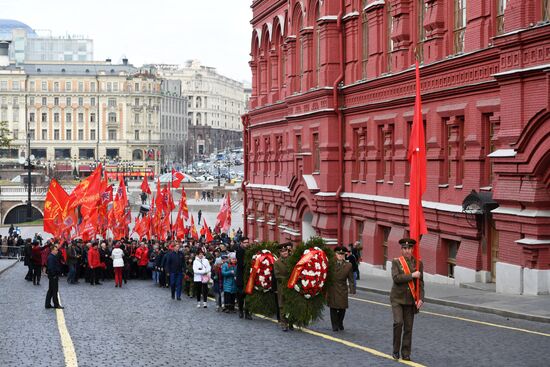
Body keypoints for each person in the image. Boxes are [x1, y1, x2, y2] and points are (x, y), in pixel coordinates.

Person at [390, 238, 424, 361]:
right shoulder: (396, 262)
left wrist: (421, 298)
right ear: (401, 249)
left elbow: (421, 283)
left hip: (410, 300)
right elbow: (396, 278)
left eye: (409, 248)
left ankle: (406, 353)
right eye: (404, 248)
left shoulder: (418, 264)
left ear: (412, 249)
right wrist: (412, 275)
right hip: (397, 299)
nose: (407, 251)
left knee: (408, 328)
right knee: (398, 323)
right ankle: (395, 350)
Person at [327, 246, 356, 332]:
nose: (340, 255)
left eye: (342, 254)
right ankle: (334, 326)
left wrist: (352, 289)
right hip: (332, 287)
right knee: (333, 308)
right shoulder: (330, 263)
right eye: (338, 254)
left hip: (342, 288)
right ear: (335, 254)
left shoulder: (348, 265)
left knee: (342, 308)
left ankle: (340, 322)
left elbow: (351, 278)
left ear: (344, 255)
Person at [273, 243, 293, 331]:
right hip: (282, 286)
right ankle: (284, 323)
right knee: (282, 305)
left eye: (286, 251)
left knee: (291, 304)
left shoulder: (292, 260)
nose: (285, 253)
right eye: (283, 252)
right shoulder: (277, 263)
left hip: (292, 286)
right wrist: (287, 279)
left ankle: (291, 322)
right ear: (280, 253)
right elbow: (277, 275)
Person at [45, 245, 64, 309]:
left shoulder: (52, 257)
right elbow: (51, 267)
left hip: (52, 275)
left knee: (50, 290)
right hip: (53, 276)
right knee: (54, 290)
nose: (57, 251)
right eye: (56, 250)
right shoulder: (51, 257)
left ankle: (47, 304)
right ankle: (56, 304)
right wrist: (54, 275)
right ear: (52, 250)